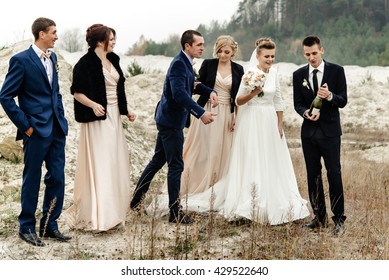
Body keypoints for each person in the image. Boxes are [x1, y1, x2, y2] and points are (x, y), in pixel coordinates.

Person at [183, 38, 310, 225]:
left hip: (269, 120)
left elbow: (278, 99)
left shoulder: (274, 73)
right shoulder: (250, 74)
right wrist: (254, 92)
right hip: (252, 120)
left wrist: (280, 123)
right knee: (253, 157)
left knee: (272, 158)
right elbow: (238, 100)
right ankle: (250, 200)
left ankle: (275, 197)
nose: (270, 59)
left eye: (273, 56)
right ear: (258, 56)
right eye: (266, 56)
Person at [130, 30, 218, 224]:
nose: (203, 47)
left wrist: (209, 90)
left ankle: (136, 201)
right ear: (187, 46)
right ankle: (174, 213)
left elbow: (191, 84)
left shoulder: (184, 62)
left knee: (157, 161)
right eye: (199, 45)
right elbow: (179, 94)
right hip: (171, 121)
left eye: (203, 44)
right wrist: (201, 113)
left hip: (167, 119)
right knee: (176, 165)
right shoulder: (179, 63)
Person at [0, 17, 70, 246]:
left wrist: (60, 116)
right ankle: (26, 226)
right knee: (33, 178)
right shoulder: (21, 60)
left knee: (57, 177)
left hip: (56, 129)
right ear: (42, 34)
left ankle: (50, 225)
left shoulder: (54, 58)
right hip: (35, 130)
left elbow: (55, 93)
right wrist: (26, 126)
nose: (56, 36)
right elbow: (5, 96)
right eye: (53, 32)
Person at [63, 24, 136, 232]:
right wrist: (93, 105)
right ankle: (101, 216)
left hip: (114, 116)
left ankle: (115, 211)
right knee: (102, 163)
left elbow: (118, 88)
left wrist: (126, 109)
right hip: (97, 120)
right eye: (111, 39)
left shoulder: (114, 59)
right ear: (99, 41)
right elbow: (76, 92)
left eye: (114, 38)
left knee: (115, 161)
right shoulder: (84, 63)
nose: (113, 42)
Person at [174, 35, 244, 195]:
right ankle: (192, 183)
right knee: (200, 149)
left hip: (226, 113)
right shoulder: (209, 64)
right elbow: (196, 85)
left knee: (221, 151)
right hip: (206, 109)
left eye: (227, 52)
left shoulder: (239, 69)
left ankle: (216, 187)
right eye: (220, 51)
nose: (223, 55)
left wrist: (236, 118)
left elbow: (239, 96)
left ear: (233, 52)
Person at [292, 35, 347, 235]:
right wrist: (304, 112)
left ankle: (339, 219)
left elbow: (343, 100)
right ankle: (319, 217)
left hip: (331, 132)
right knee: (313, 175)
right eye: (307, 54)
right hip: (309, 133)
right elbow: (297, 102)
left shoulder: (337, 71)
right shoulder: (298, 75)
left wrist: (330, 96)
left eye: (314, 53)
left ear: (321, 50)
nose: (311, 57)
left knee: (334, 174)